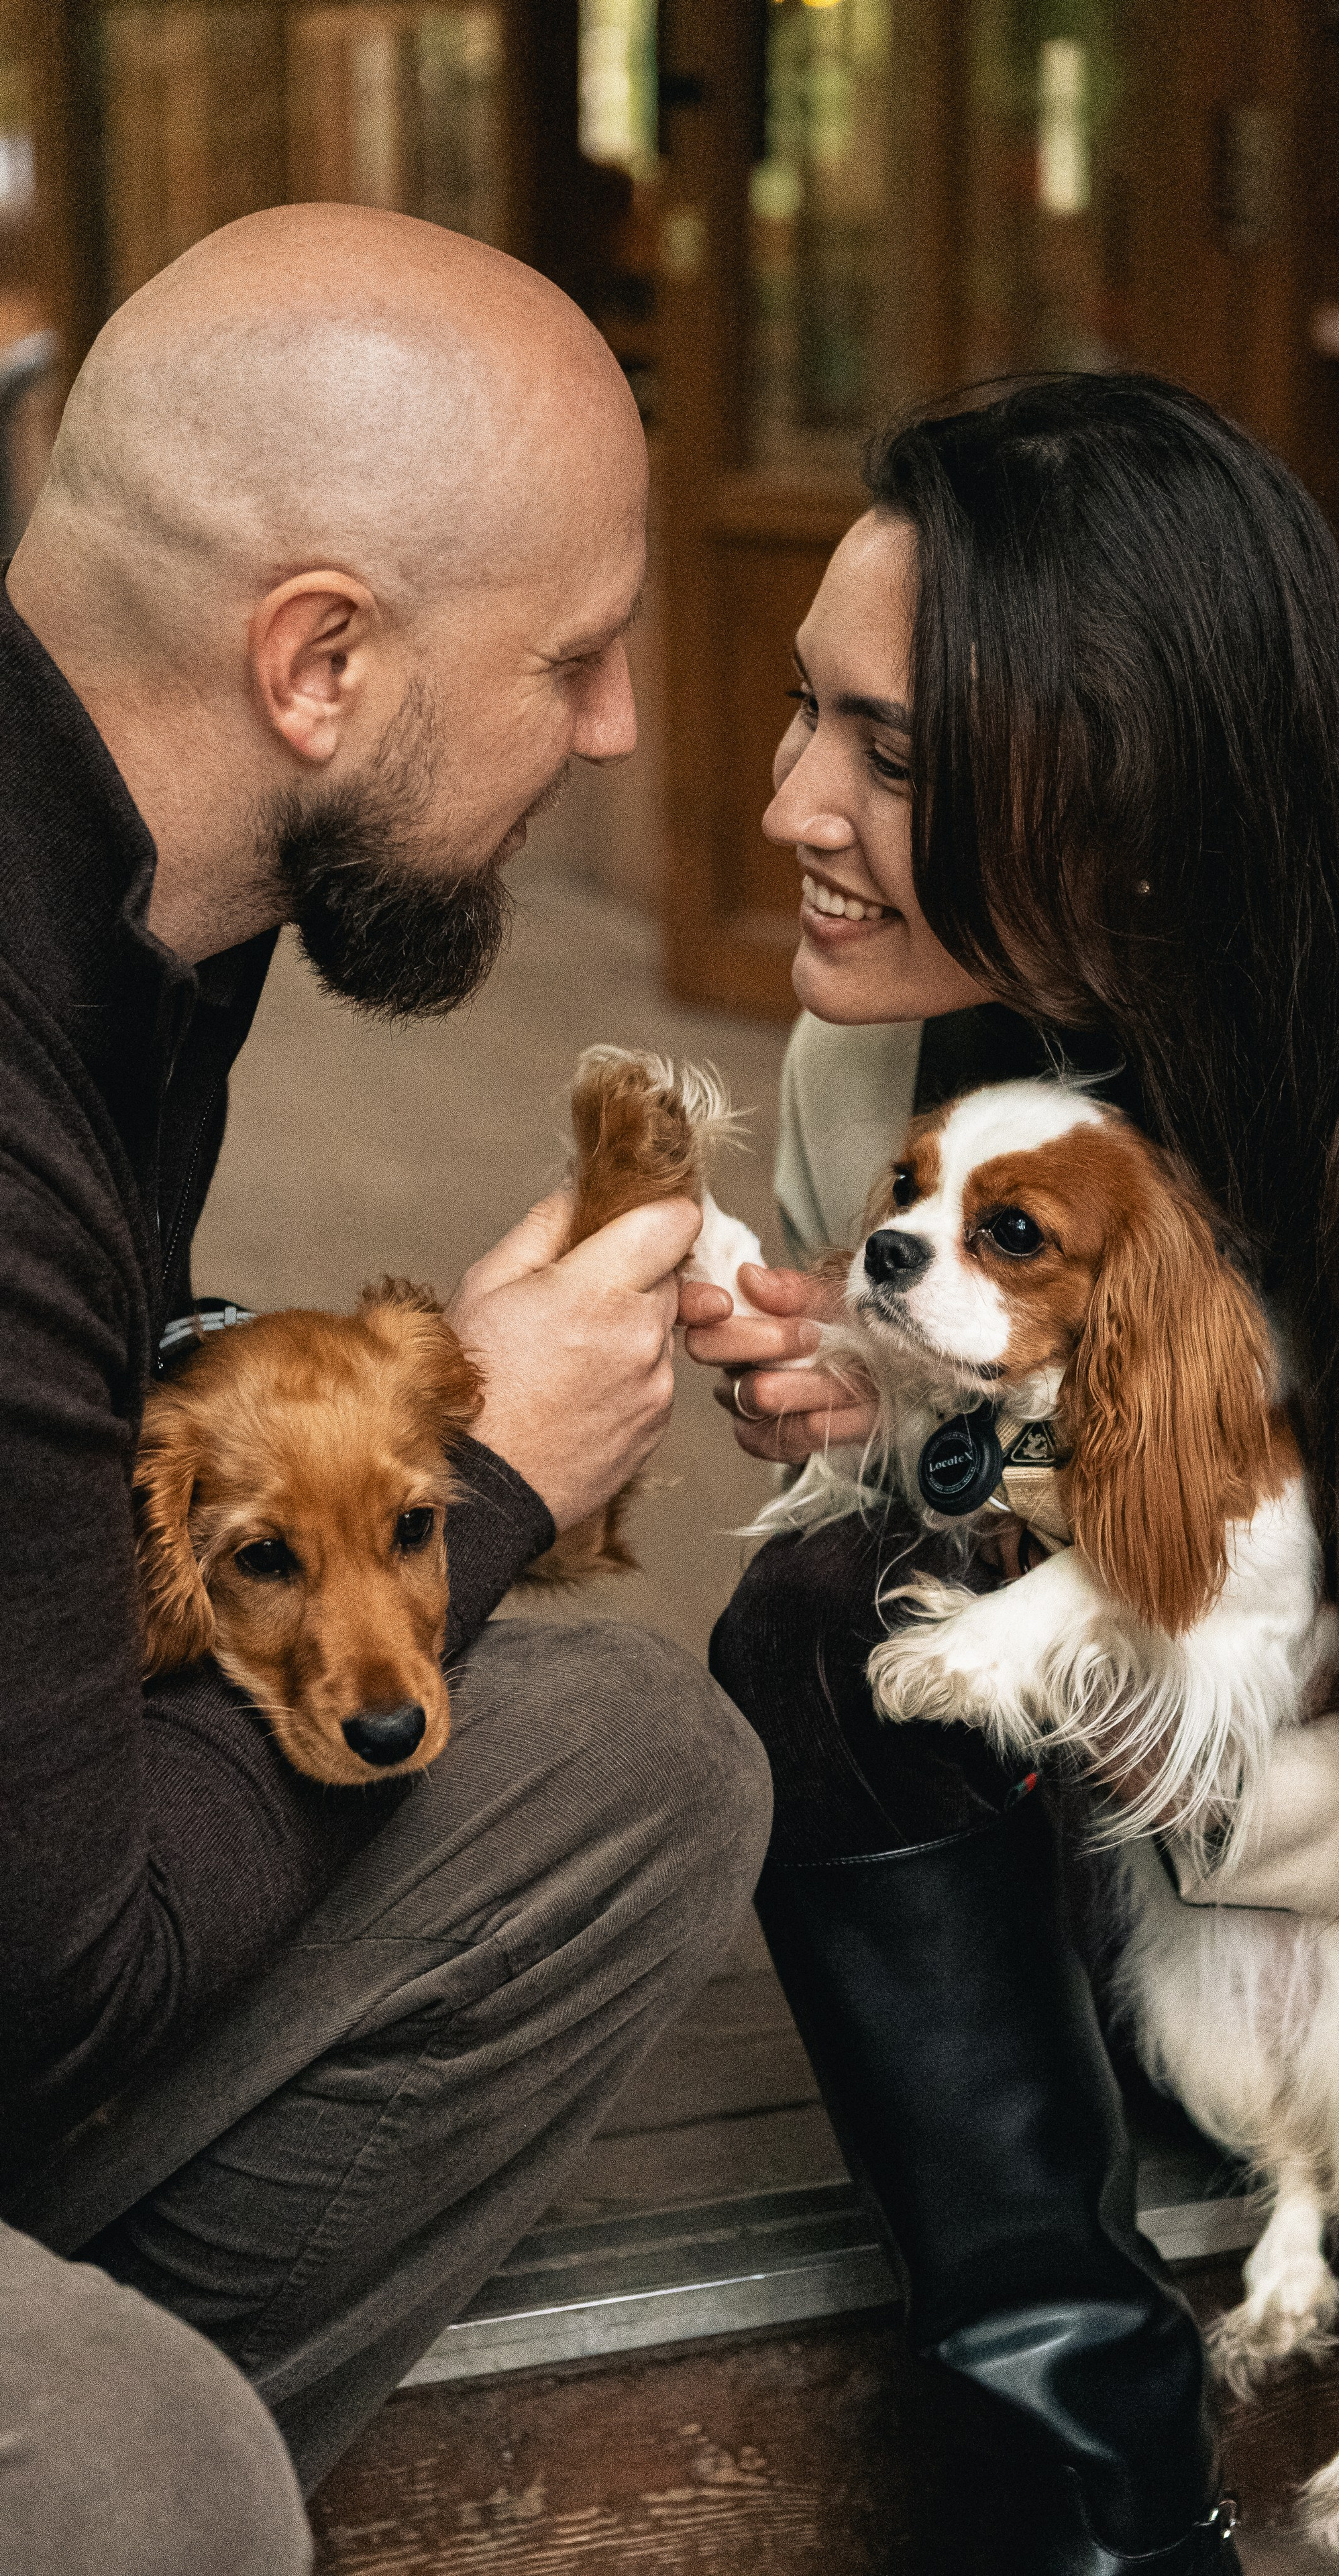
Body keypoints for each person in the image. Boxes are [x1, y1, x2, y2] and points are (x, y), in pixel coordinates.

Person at [682, 373, 1339, 2573]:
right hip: (1187, 1923)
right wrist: (917, 1435)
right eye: (805, 714)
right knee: (820, 1622)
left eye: (890, 752)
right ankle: (1106, 2527)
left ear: (1134, 805)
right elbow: (1005, 1587)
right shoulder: (883, 1049)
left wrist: (1172, 1741)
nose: (789, 801)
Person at [0, 203, 770, 2567]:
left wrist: (363, 1404)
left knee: (633, 1759)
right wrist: (501, 1481)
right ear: (317, 660)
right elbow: (61, 1973)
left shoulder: (140, 913)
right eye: (575, 657)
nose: (622, 728)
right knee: (148, 2472)